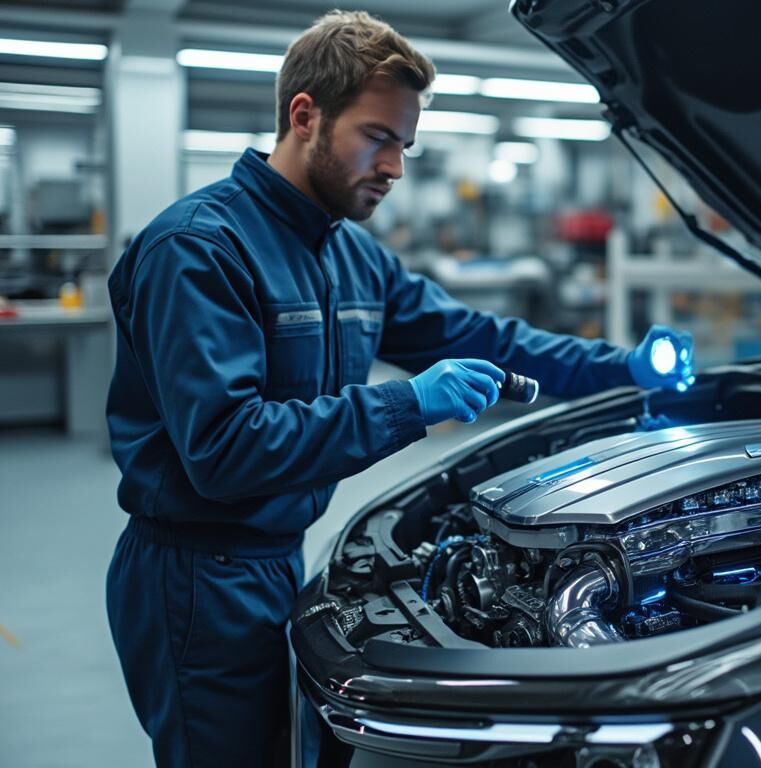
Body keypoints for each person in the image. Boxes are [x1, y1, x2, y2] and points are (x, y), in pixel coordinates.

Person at [103, 11, 693, 767]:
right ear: (305, 115)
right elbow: (226, 450)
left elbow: (487, 339)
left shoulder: (351, 256)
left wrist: (626, 367)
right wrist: (409, 404)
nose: (394, 168)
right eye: (378, 138)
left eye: (404, 147)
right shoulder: (199, 249)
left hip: (278, 555)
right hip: (194, 578)